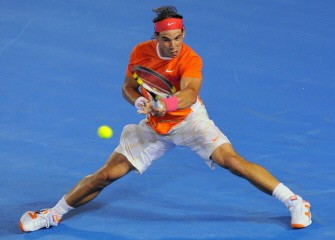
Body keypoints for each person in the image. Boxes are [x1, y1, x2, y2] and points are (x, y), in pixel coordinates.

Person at [19, 6, 312, 232]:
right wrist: (141, 100)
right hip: (155, 127)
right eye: (167, 39)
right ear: (155, 37)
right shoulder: (140, 52)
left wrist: (165, 104)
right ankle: (51, 214)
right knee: (106, 175)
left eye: (179, 37)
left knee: (233, 162)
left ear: (184, 34)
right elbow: (128, 86)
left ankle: (295, 202)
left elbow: (190, 92)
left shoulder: (190, 59)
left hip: (190, 121)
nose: (174, 45)